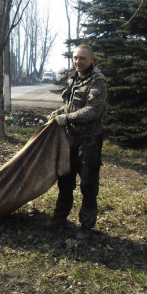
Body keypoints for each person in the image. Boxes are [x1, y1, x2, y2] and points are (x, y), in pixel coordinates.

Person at [48, 44, 108, 240]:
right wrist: (59, 112)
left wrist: (68, 118)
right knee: (65, 179)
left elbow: (93, 110)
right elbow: (70, 105)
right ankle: (60, 218)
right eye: (75, 58)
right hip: (70, 139)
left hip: (89, 141)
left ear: (92, 59)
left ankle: (86, 226)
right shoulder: (74, 78)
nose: (78, 62)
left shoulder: (98, 80)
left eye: (82, 58)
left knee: (88, 184)